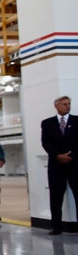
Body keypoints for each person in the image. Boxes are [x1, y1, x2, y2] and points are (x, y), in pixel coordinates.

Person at [40, 95, 78, 235]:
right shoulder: (47, 123)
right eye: (64, 104)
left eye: (69, 104)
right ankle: (56, 226)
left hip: (74, 164)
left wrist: (70, 156)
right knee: (55, 197)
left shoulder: (77, 121)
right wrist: (57, 156)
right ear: (57, 106)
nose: (68, 106)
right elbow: (45, 143)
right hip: (56, 165)